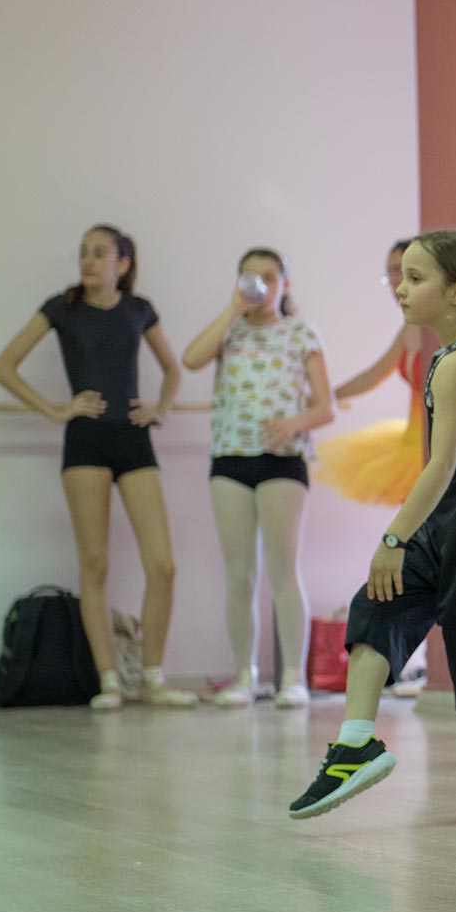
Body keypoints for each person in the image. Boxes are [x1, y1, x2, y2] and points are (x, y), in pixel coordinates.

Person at [289, 181, 456, 824]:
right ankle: (354, 743)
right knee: (379, 601)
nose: (400, 288)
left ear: (455, 293)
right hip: (454, 503)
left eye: (414, 277)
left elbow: (441, 462)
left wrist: (394, 537)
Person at [0, 224, 195, 710]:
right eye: (83, 252)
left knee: (163, 565)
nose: (88, 260)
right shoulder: (61, 308)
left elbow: (173, 368)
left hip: (133, 439)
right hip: (85, 442)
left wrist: (161, 407)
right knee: (95, 563)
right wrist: (55, 408)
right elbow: (4, 366)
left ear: (122, 264)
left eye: (99, 253)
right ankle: (107, 679)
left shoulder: (138, 309)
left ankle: (151, 677)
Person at [181, 247, 333, 710]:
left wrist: (292, 424)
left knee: (284, 570)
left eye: (270, 277)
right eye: (251, 277)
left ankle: (291, 677)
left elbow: (326, 407)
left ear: (285, 283)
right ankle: (244, 675)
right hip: (230, 458)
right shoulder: (230, 331)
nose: (261, 285)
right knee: (239, 573)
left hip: (282, 461)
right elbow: (190, 359)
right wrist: (233, 309)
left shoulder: (300, 332)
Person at [316, 233, 433, 698]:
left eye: (405, 269)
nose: (396, 280)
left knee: (419, 556)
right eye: (390, 271)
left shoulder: (437, 325)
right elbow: (374, 373)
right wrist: (322, 398)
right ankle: (415, 662)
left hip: (433, 452)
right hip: (409, 451)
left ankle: (420, 663)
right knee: (413, 557)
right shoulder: (407, 328)